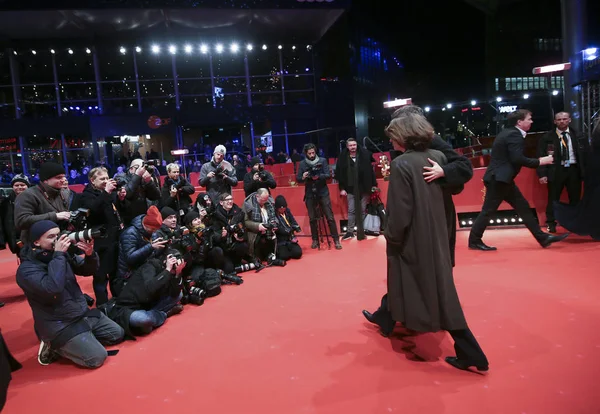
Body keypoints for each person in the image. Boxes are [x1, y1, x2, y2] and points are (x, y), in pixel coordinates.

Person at [377, 113, 488, 372]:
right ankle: (469, 351)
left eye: (393, 136)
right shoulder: (437, 158)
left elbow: (400, 211)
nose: (390, 141)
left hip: (412, 240)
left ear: (403, 135)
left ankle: (470, 351)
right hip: (437, 235)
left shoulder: (402, 164)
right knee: (440, 291)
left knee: (433, 293)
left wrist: (391, 235)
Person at [363, 104, 474, 337]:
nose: (392, 139)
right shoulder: (407, 151)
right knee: (412, 271)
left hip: (431, 215)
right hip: (420, 214)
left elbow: (463, 169)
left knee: (431, 272)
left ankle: (455, 333)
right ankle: (389, 315)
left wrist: (442, 172)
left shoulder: (433, 146)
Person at [16, 220, 124, 368]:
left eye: (58, 235)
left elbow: (87, 270)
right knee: (97, 357)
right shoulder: (26, 269)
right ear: (36, 242)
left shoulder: (59, 256)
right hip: (58, 324)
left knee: (117, 333)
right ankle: (53, 346)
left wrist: (90, 254)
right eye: (51, 237)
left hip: (80, 313)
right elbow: (52, 288)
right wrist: (59, 255)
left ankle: (81, 339)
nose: (57, 239)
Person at [469, 109, 569, 250]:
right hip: (499, 180)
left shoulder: (509, 133)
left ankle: (542, 238)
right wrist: (540, 161)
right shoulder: (513, 135)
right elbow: (517, 159)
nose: (531, 121)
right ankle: (474, 240)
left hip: (503, 179)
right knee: (488, 211)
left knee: (523, 208)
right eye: (529, 119)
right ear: (519, 122)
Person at [79, 167, 124, 306]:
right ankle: (102, 306)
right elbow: (93, 210)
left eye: (107, 177)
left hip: (114, 238)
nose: (106, 181)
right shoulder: (86, 195)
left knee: (116, 274)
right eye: (102, 179)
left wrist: (120, 198)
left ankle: (118, 302)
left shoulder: (108, 193)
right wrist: (106, 192)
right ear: (92, 180)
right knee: (100, 276)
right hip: (99, 241)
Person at [536, 112, 586, 233]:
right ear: (555, 121)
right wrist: (542, 174)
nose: (562, 121)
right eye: (559, 119)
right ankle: (551, 223)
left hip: (574, 169)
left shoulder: (578, 135)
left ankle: (575, 223)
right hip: (556, 170)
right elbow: (540, 156)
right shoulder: (547, 137)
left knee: (575, 198)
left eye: (564, 119)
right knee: (553, 198)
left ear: (569, 120)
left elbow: (585, 155)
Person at [554, 118, 600, 239]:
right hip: (596, 170)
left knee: (594, 201)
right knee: (595, 201)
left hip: (593, 169)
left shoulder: (592, 134)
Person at [296, 143, 342, 250]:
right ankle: (315, 240)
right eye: (309, 153)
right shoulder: (302, 164)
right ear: (306, 154)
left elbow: (328, 175)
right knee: (312, 218)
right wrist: (303, 177)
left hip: (323, 192)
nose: (312, 155)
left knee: (329, 217)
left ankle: (336, 240)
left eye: (313, 153)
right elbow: (298, 179)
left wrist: (318, 177)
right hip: (310, 193)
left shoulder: (322, 160)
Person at [14, 162, 71, 245]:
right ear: (46, 180)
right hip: (35, 246)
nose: (63, 180)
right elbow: (21, 221)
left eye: (64, 176)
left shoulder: (64, 193)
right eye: (58, 177)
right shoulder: (28, 195)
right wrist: (55, 216)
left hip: (61, 241)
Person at [335, 138, 377, 241]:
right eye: (351, 145)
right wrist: (342, 188)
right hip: (350, 188)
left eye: (354, 145)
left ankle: (361, 231)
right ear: (347, 146)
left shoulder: (364, 155)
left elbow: (370, 172)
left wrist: (373, 185)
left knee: (362, 210)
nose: (353, 147)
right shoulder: (342, 158)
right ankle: (350, 232)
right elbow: (340, 174)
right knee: (351, 210)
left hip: (364, 187)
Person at [274, 195, 303, 261]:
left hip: (290, 238)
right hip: (281, 240)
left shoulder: (287, 211)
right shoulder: (274, 214)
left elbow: (293, 221)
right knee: (284, 257)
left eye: (284, 208)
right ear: (277, 208)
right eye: (280, 209)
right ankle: (285, 250)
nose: (282, 210)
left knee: (298, 254)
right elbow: (276, 228)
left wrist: (296, 227)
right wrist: (285, 231)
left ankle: (289, 249)